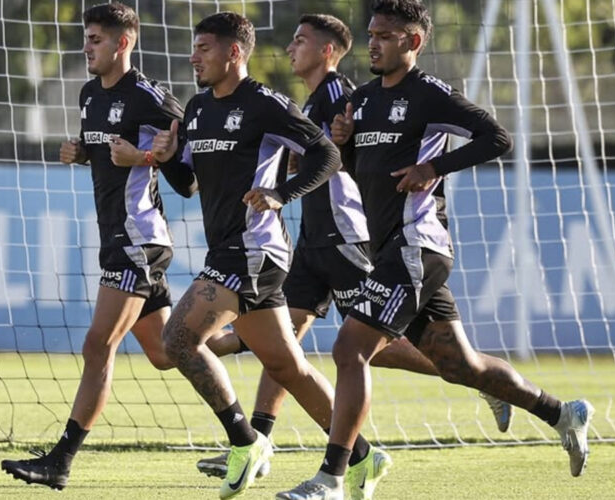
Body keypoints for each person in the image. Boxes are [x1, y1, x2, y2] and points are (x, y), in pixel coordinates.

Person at [278, 1, 594, 499]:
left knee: (348, 349)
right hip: (388, 250)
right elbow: (362, 171)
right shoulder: (360, 102)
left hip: (417, 243)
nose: (375, 43)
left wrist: (435, 168)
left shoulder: (429, 95)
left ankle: (332, 479)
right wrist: (344, 145)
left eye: (386, 35)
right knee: (459, 366)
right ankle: (561, 413)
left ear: (413, 42)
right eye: (373, 34)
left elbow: (498, 137)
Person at [195, 14, 512, 494]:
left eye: (300, 41)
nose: (289, 49)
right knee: (286, 350)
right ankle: (258, 443)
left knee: (367, 349)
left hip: (346, 238)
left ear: (327, 51)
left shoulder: (344, 97)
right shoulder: (315, 100)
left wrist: (313, 168)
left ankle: (474, 379)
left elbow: (344, 157)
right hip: (312, 241)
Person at [150, 11, 386, 500]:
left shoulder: (265, 104)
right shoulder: (196, 109)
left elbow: (328, 155)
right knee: (285, 366)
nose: (194, 57)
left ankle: (245, 442)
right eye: (193, 49)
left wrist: (283, 193)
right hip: (232, 249)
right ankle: (362, 455)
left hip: (253, 248)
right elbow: (188, 185)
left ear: (234, 52)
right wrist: (170, 156)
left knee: (175, 339)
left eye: (204, 49)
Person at [0, 3, 234, 490]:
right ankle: (245, 430)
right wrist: (81, 152)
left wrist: (148, 155)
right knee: (167, 353)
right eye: (86, 39)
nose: (87, 48)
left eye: (96, 40)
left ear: (122, 43)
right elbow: (110, 156)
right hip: (117, 238)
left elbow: (187, 178)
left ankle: (60, 462)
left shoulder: (152, 98)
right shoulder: (89, 95)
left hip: (139, 240)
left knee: (96, 345)